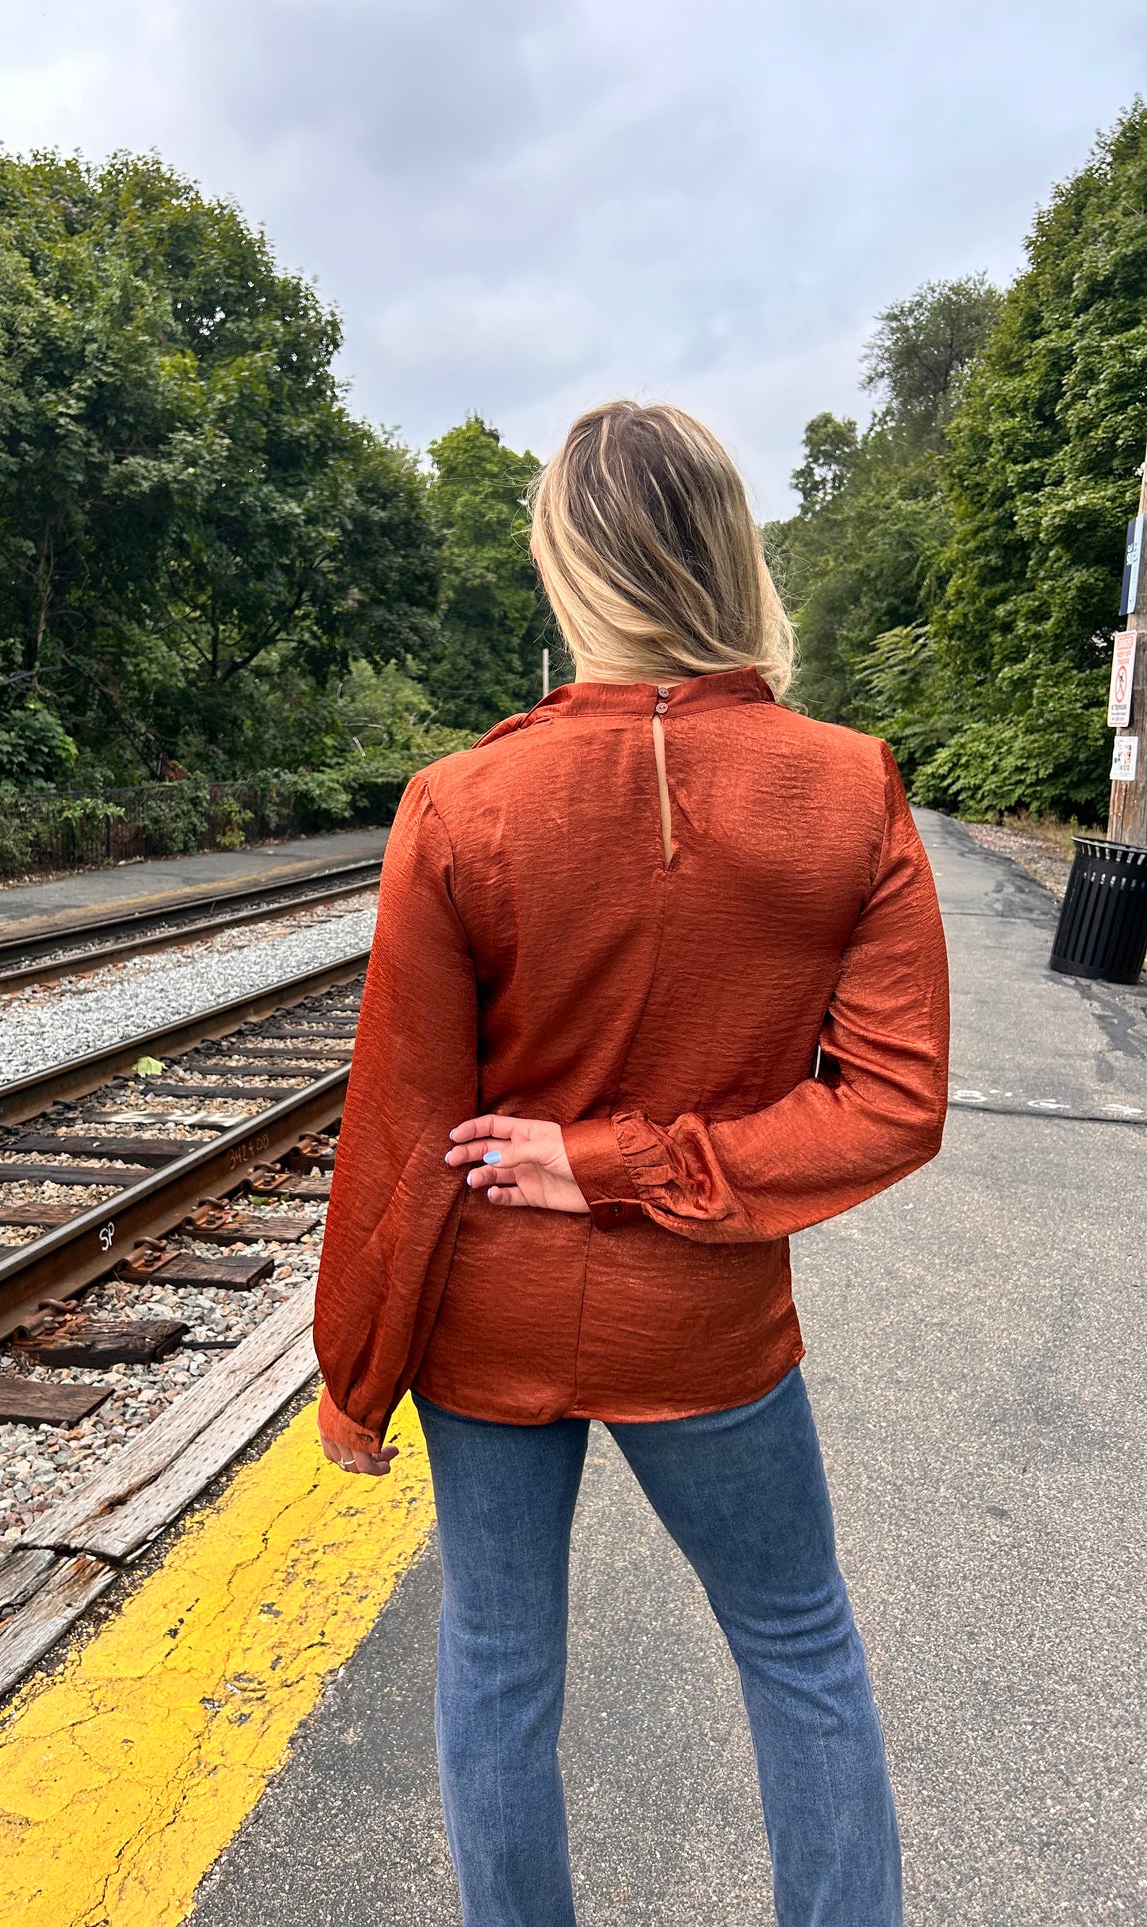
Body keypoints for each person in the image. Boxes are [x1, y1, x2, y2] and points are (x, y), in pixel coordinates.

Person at [313, 399, 949, 1927]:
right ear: (730, 557)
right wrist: (640, 1166)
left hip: (489, 1316)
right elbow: (892, 1107)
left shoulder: (460, 803)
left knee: (496, 1659)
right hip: (707, 1325)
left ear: (568, 568)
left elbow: (396, 1129)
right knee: (796, 1646)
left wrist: (357, 1372)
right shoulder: (846, 786)